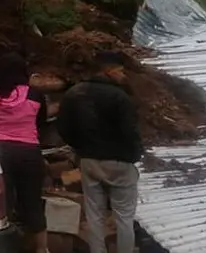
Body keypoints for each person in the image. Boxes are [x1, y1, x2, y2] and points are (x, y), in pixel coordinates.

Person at [56, 50, 142, 253]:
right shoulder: (120, 97)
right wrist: (134, 155)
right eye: (121, 70)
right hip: (119, 162)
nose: (124, 75)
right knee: (124, 216)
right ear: (110, 70)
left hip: (89, 161)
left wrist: (80, 148)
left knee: (94, 214)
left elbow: (64, 128)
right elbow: (130, 131)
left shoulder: (75, 93)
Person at [0, 51, 50, 253]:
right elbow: (41, 123)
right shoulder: (35, 95)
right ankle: (41, 249)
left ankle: (4, 247)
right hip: (28, 153)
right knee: (32, 201)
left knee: (1, 205)